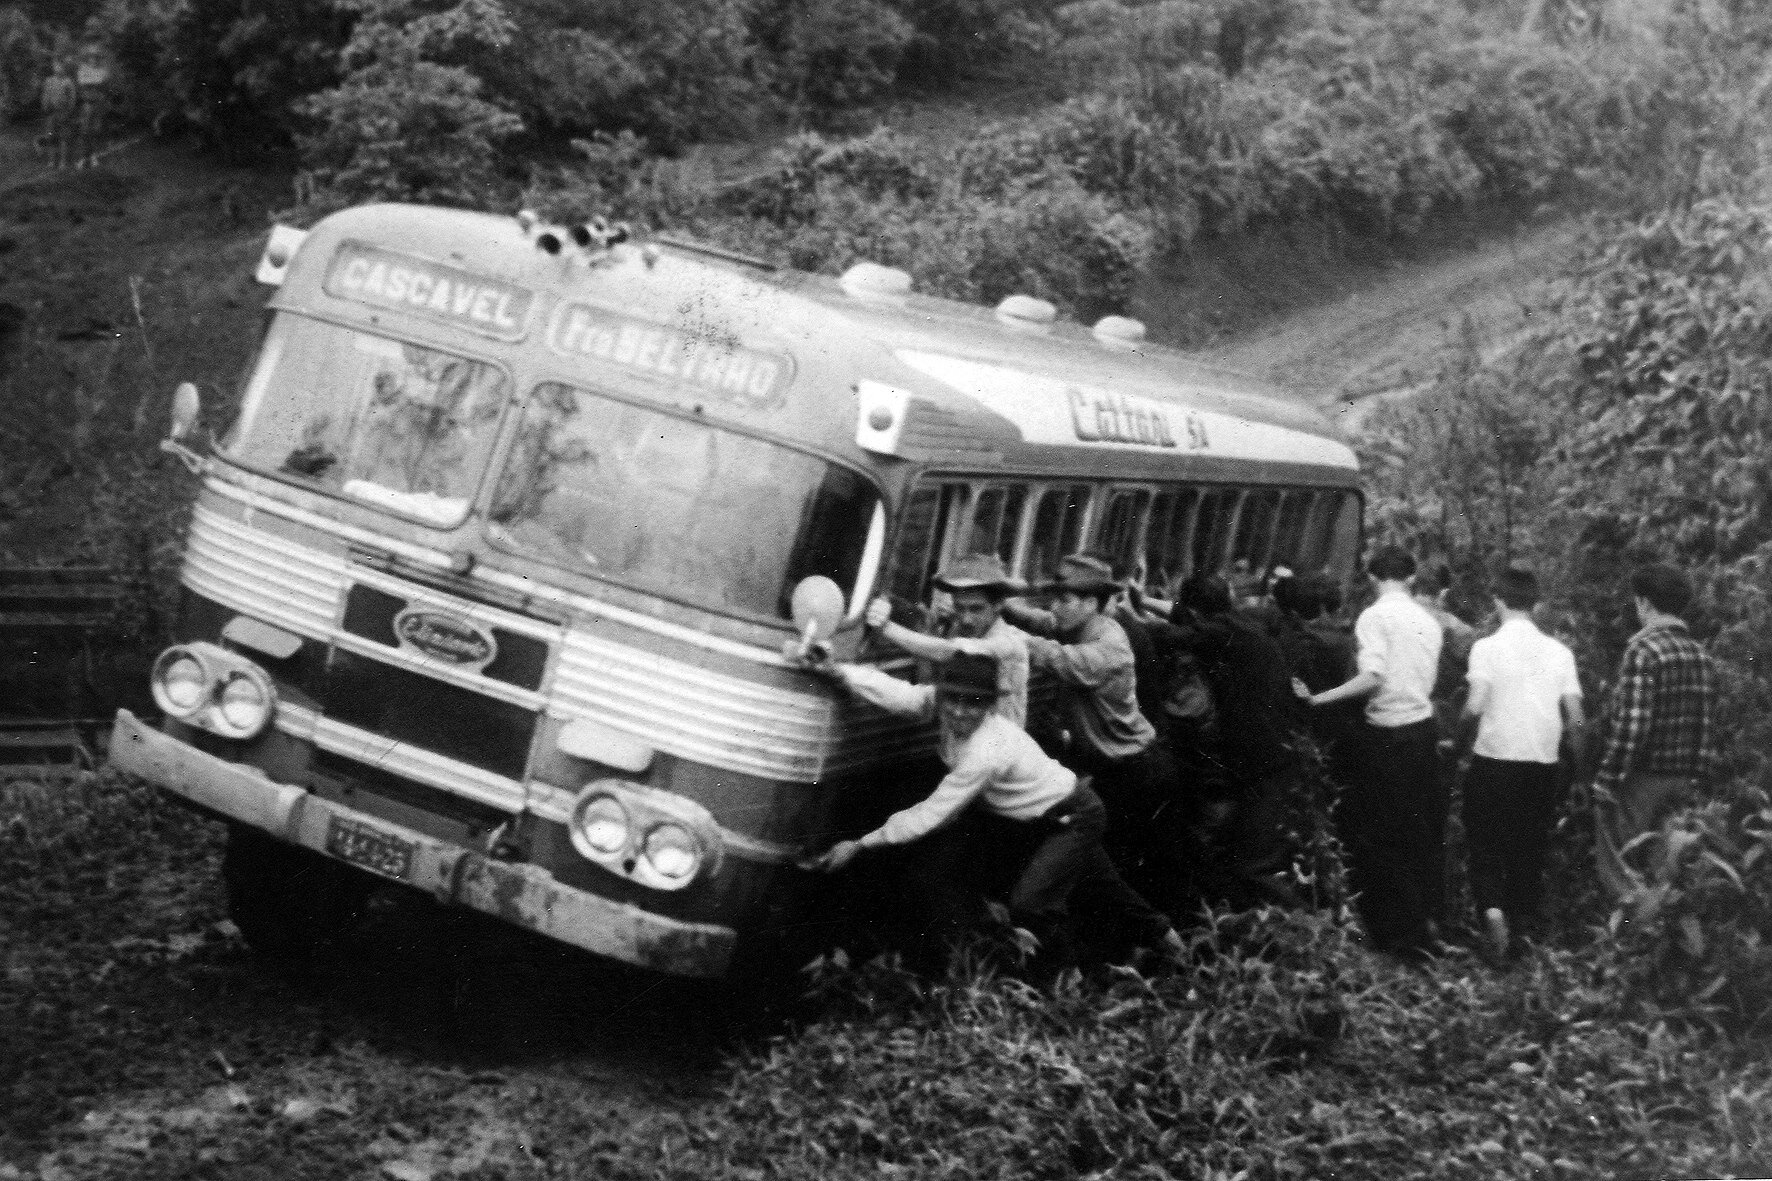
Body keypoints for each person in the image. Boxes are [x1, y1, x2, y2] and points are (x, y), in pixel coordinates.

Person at [807, 651, 1184, 968]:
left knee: (1028, 904)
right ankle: (1172, 944)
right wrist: (837, 669)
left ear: (989, 706)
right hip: (1034, 815)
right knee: (1103, 884)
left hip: (1073, 815)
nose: (957, 713)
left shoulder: (986, 751)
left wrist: (860, 844)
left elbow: (932, 814)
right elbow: (894, 691)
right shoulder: (937, 705)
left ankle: (1080, 969)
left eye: (972, 703)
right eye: (951, 699)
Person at [1001, 554, 1190, 917]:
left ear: (1091, 604)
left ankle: (1151, 942)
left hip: (1138, 773)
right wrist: (1004, 604)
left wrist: (1001, 632)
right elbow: (1042, 622)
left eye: (1064, 600)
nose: (1054, 608)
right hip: (1122, 768)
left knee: (1105, 867)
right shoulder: (1085, 625)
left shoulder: (1108, 647)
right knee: (1104, 865)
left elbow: (1058, 659)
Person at [1297, 546, 1445, 960]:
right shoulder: (1428, 619)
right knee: (1419, 831)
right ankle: (1423, 924)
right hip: (1424, 730)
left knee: (1384, 835)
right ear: (1412, 578)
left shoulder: (1374, 617)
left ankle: (1395, 936)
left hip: (1389, 736)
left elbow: (1373, 676)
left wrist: (1319, 699)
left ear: (1373, 577)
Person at [1457, 568, 1584, 961]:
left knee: (1485, 843)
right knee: (1528, 845)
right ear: (1537, 605)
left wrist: (1459, 745)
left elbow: (1474, 706)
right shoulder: (1561, 652)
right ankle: (1521, 927)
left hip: (1493, 761)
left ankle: (1491, 912)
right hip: (1541, 766)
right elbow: (1576, 720)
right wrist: (1579, 773)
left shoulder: (1486, 648)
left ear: (1497, 602)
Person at [1164, 571, 1303, 909]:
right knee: (1245, 851)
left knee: (1254, 862)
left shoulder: (1223, 631)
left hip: (1261, 758)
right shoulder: (1243, 623)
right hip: (1273, 752)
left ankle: (1289, 930)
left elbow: (1168, 636)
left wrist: (1127, 612)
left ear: (1195, 613)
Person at [1593, 563, 1717, 843]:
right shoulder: (1701, 655)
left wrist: (1607, 779)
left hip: (1643, 782)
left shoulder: (1643, 650)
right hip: (1685, 781)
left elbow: (1634, 726)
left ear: (1644, 603)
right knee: (1666, 873)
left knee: (1624, 868)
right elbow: (1705, 727)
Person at [866, 553, 1028, 726]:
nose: (966, 619)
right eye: (960, 608)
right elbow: (930, 687)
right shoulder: (960, 631)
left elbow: (949, 650)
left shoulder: (1008, 643)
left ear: (998, 605)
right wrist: (928, 631)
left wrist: (885, 627)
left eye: (976, 609)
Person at [40, 59, 76, 170]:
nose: (58, 68)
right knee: (50, 137)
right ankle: (51, 161)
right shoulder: (49, 80)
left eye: (60, 66)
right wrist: (45, 106)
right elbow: (45, 95)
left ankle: (62, 162)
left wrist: (68, 112)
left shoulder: (68, 82)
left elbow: (72, 99)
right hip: (51, 113)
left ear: (64, 68)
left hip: (63, 113)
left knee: (63, 138)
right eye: (56, 66)